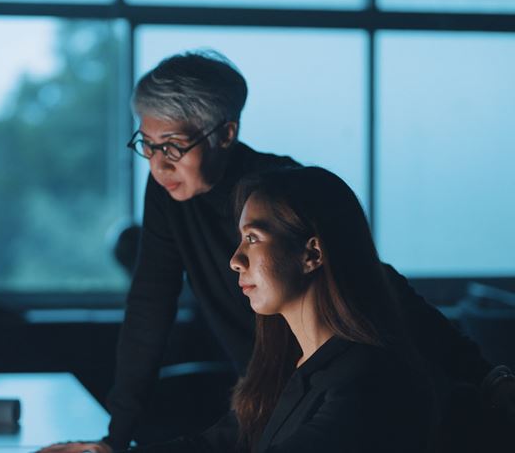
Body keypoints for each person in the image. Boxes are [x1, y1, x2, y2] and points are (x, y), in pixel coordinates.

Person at [37, 51, 499, 453]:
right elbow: (149, 304)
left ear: (225, 133)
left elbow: (373, 281)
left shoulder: (280, 191)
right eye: (148, 145)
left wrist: (486, 376)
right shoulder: (168, 193)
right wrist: (116, 439)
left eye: (174, 146)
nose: (159, 164)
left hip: (331, 377)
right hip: (274, 381)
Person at [121, 166, 436, 452]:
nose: (235, 260)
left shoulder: (367, 380)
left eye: (253, 238)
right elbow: (213, 444)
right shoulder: (286, 366)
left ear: (312, 253)